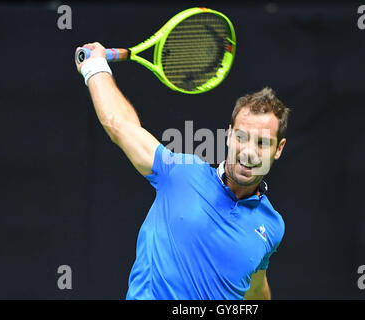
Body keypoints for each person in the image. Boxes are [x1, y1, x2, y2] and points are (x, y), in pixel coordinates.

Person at [75, 42, 290, 300]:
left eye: (262, 143)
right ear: (229, 135)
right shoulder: (180, 173)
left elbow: (255, 287)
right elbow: (119, 125)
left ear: (278, 149)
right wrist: (96, 68)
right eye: (242, 137)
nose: (249, 152)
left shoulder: (272, 226)